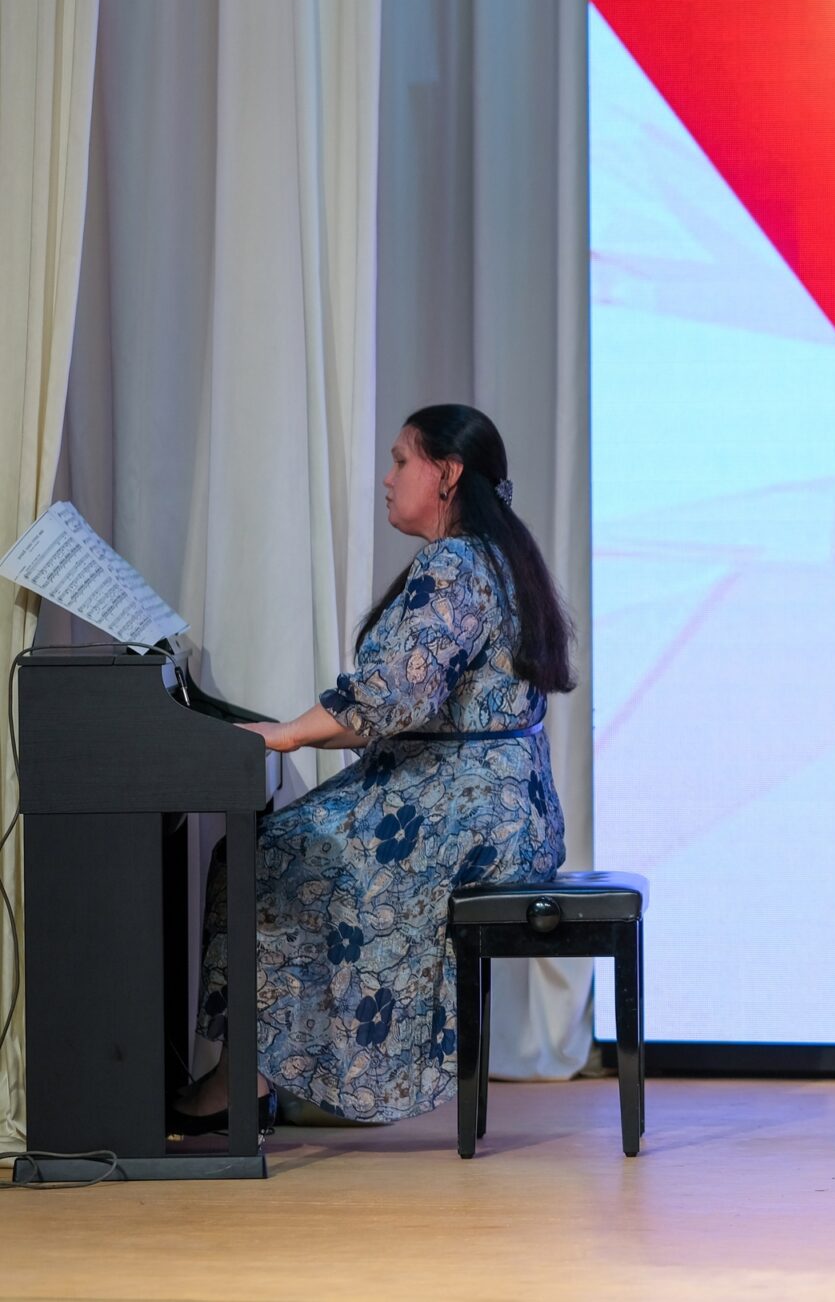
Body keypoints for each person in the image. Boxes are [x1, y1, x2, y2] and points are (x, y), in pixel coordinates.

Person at [171, 404, 574, 1130]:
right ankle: (272, 1069)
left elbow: (389, 698)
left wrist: (284, 736)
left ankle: (245, 1080)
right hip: (512, 816)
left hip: (462, 816)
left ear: (447, 473)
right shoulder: (497, 555)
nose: (387, 479)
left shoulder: (455, 564)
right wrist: (292, 733)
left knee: (261, 856)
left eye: (400, 460)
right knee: (274, 848)